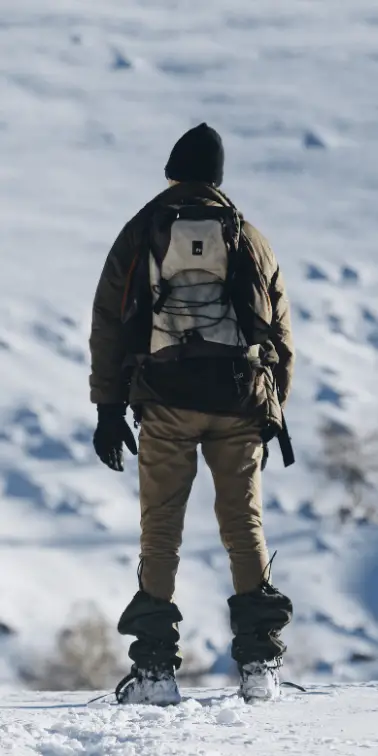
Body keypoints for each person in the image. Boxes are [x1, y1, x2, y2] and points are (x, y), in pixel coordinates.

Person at [90, 123, 295, 705]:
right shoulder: (248, 236)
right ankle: (258, 666)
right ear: (219, 179)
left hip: (164, 399)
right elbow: (278, 329)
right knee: (243, 527)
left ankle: (156, 672)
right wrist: (272, 403)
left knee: (161, 531)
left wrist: (108, 408)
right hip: (238, 400)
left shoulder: (141, 232)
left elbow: (108, 322)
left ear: (172, 173)